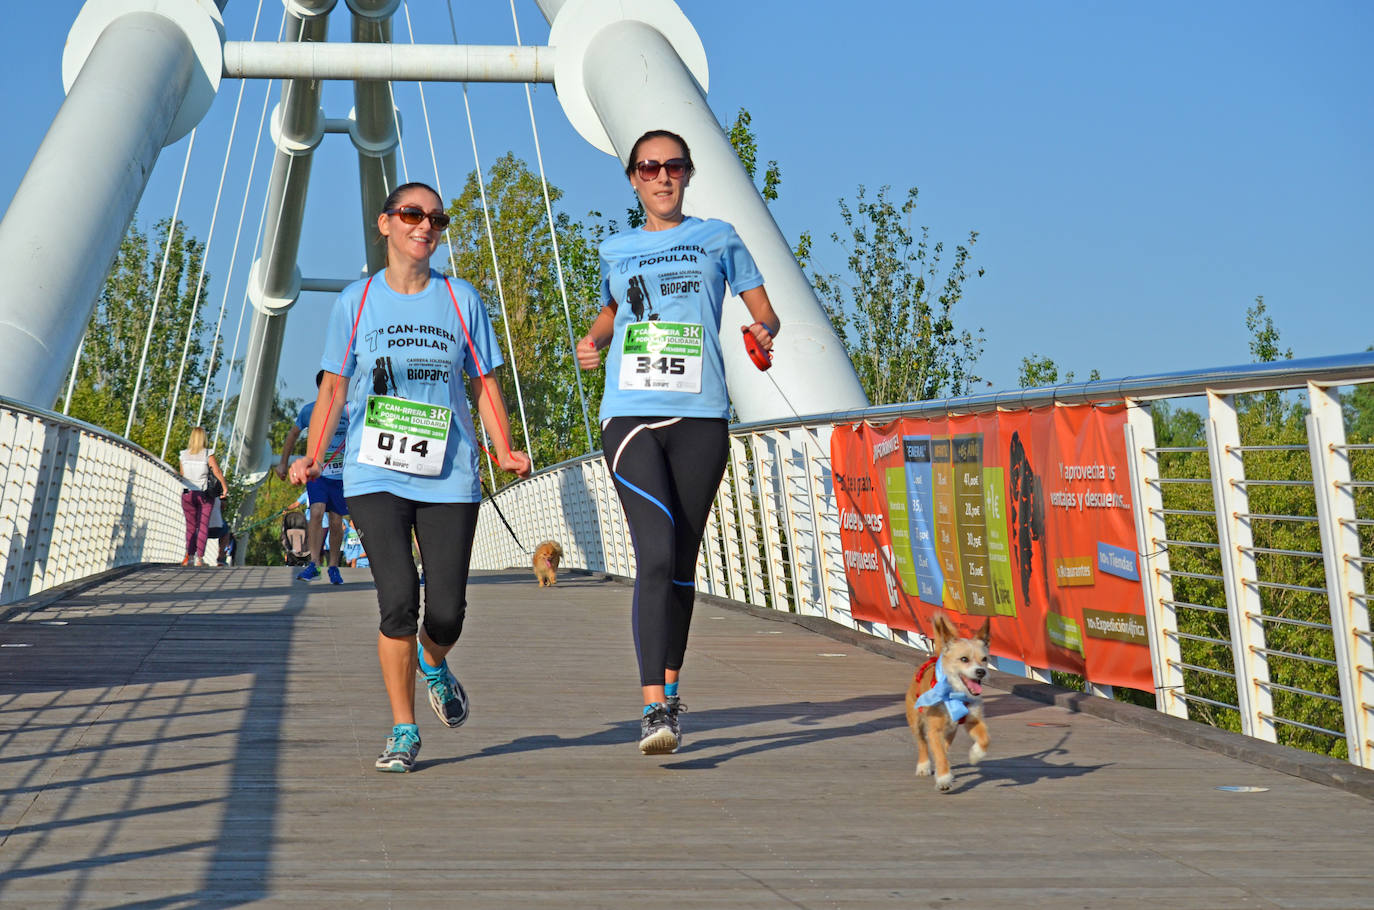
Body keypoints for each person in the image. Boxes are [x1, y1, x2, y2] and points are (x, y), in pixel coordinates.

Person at [290, 181, 531, 774]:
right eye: (411, 214)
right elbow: (334, 387)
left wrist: (502, 448)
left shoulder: (461, 299)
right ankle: (403, 728)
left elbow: (484, 382)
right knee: (398, 601)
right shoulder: (357, 299)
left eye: (435, 218)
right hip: (374, 473)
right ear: (385, 223)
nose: (424, 225)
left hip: (448, 473)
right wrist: (314, 455)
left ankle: (434, 662)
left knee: (446, 611)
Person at [576, 129, 779, 755]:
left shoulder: (718, 238)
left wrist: (763, 332)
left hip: (701, 417)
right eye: (648, 167)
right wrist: (593, 340)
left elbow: (764, 311)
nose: (661, 177)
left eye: (673, 166)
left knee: (683, 563)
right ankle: (652, 708)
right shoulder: (616, 248)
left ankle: (672, 683)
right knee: (656, 554)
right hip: (631, 415)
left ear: (687, 174)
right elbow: (613, 310)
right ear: (633, 179)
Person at [277, 370, 350, 584]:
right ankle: (314, 564)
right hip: (318, 474)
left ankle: (334, 566)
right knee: (316, 512)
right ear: (322, 387)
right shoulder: (310, 411)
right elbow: (293, 434)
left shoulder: (348, 410)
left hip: (341, 476)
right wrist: (283, 462)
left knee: (336, 521)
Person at [178, 427, 228, 568]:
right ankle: (200, 558)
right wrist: (224, 487)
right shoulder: (208, 454)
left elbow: (183, 475)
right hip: (204, 494)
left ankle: (190, 556)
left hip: (188, 493)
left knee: (191, 527)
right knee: (203, 526)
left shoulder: (183, 455)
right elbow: (216, 471)